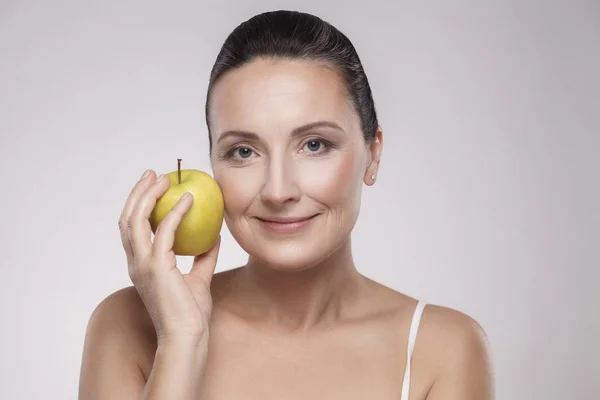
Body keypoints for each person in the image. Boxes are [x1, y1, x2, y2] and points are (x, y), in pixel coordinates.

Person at [79, 10, 494, 400]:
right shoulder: (126, 326)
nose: (278, 191)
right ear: (213, 166)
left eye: (314, 145)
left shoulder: (443, 349)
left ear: (373, 154)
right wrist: (182, 341)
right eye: (243, 152)